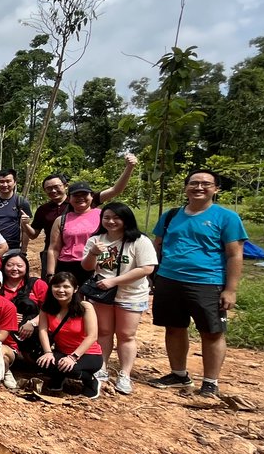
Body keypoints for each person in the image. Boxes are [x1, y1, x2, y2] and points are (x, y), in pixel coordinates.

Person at [150, 169, 247, 400]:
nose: (199, 187)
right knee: (173, 327)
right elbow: (158, 244)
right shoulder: (171, 215)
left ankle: (211, 381)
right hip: (169, 279)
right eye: (194, 183)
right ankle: (178, 374)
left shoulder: (227, 217)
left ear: (216, 189)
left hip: (207, 282)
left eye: (206, 183)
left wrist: (230, 289)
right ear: (186, 187)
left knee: (211, 332)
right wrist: (154, 275)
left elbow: (235, 255)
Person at [79, 203, 158, 395]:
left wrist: (114, 281)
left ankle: (124, 374)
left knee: (126, 335)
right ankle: (102, 368)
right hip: (102, 294)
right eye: (107, 217)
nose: (111, 221)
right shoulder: (96, 240)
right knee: (104, 332)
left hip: (130, 294)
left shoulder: (139, 241)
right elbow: (87, 267)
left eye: (116, 218)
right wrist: (93, 253)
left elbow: (147, 268)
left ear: (126, 219)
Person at [23, 155, 138, 261]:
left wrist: (129, 168)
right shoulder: (43, 209)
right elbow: (33, 235)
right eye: (48, 188)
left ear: (65, 186)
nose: (53, 190)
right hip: (53, 254)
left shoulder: (82, 201)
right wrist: (25, 224)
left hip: (85, 254)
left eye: (56, 187)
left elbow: (115, 190)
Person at [37, 272, 103, 397]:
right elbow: (43, 330)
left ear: (75, 289)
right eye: (56, 286)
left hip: (88, 354)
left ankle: (90, 380)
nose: (61, 290)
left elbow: (92, 336)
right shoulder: (47, 307)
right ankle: (59, 378)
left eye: (66, 287)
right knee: (44, 363)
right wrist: (48, 352)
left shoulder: (85, 307)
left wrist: (73, 357)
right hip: (62, 352)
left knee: (72, 368)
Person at [45, 182, 100, 284]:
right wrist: (50, 274)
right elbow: (54, 249)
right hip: (67, 266)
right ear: (69, 198)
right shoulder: (61, 220)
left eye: (84, 194)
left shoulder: (102, 216)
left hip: (95, 265)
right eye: (76, 195)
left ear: (92, 196)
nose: (80, 198)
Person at [0, 252, 48, 360]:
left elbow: (49, 309)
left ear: (26, 268)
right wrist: (9, 319)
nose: (14, 268)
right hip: (4, 329)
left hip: (33, 327)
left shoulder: (37, 284)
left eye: (19, 266)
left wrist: (32, 323)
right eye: (10, 265)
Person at [0, 169, 32, 250]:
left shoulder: (21, 203)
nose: (5, 184)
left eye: (8, 181)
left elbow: (25, 229)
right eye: (1, 181)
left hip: (12, 247)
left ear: (14, 182)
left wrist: (23, 249)